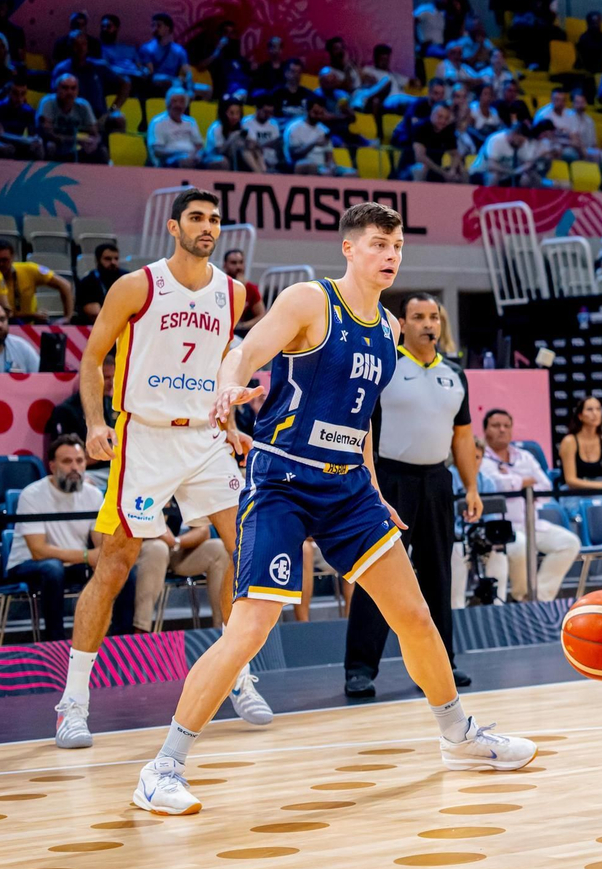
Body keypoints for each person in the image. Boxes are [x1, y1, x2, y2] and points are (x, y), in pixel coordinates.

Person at [128, 204, 535, 816]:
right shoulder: (308, 302)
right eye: (377, 244)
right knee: (252, 628)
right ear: (350, 249)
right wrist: (229, 387)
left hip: (348, 489)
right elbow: (244, 351)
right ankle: (162, 767)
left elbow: (359, 417)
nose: (390, 255)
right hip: (283, 482)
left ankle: (458, 738)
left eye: (396, 245)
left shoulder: (390, 330)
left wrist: (372, 489)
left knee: (417, 617)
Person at [54, 189, 268, 751]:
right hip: (143, 437)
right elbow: (94, 357)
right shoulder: (136, 285)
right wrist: (97, 423)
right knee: (118, 560)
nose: (207, 226)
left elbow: (221, 362)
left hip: (202, 439)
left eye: (215, 219)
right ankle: (73, 702)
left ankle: (238, 677)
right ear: (174, 227)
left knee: (246, 549)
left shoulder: (235, 292)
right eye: (196, 218)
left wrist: (226, 421)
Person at [344, 294, 477, 699]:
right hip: (390, 481)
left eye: (433, 317)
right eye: (418, 317)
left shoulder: (455, 373)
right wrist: (368, 484)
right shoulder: (386, 365)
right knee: (379, 578)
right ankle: (360, 669)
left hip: (437, 482)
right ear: (402, 322)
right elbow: (361, 423)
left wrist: (470, 487)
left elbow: (464, 435)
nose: (427, 324)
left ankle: (442, 664)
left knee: (439, 575)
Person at [9, 435, 149, 640]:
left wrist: (104, 558)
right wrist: (86, 556)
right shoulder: (32, 495)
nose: (74, 467)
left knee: (120, 567)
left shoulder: (93, 494)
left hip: (72, 563)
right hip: (29, 564)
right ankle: (54, 642)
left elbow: (101, 544)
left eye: (79, 461)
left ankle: (122, 640)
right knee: (52, 569)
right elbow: (38, 550)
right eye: (67, 461)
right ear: (52, 465)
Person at [480, 409, 582, 601]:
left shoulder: (524, 456)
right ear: (485, 430)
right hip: (499, 528)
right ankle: (521, 596)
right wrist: (525, 481)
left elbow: (545, 487)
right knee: (521, 544)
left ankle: (537, 598)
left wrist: (513, 479)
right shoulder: (480, 457)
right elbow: (495, 485)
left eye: (506, 426)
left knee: (569, 543)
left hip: (532, 524)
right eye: (496, 426)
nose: (502, 430)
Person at [0, 238, 72, 324]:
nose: (1, 264)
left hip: (28, 326)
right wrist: (31, 315)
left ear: (13, 257)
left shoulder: (29, 269)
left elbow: (65, 285)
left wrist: (67, 317)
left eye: (5, 260)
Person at [559, 396, 602, 490]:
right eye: (590, 409)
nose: (595, 413)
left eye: (598, 409)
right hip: (574, 491)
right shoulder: (569, 441)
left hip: (600, 489)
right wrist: (600, 485)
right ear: (580, 416)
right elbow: (570, 480)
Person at [147, 88, 203, 167]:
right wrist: (181, 153)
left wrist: (198, 155)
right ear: (167, 104)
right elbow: (157, 151)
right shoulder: (158, 123)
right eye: (174, 101)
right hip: (168, 160)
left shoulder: (191, 122)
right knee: (185, 161)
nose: (178, 105)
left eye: (181, 102)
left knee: (218, 162)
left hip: (191, 157)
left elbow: (199, 145)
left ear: (185, 105)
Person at [71, 243, 119, 326]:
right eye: (108, 259)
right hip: (94, 328)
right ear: (97, 260)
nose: (113, 262)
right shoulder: (88, 281)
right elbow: (94, 314)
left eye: (116, 259)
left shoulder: (125, 277)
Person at [220, 249, 264, 335]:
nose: (238, 267)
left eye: (241, 262)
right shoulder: (218, 285)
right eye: (233, 263)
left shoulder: (250, 288)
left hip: (240, 333)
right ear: (225, 265)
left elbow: (261, 315)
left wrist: (243, 326)